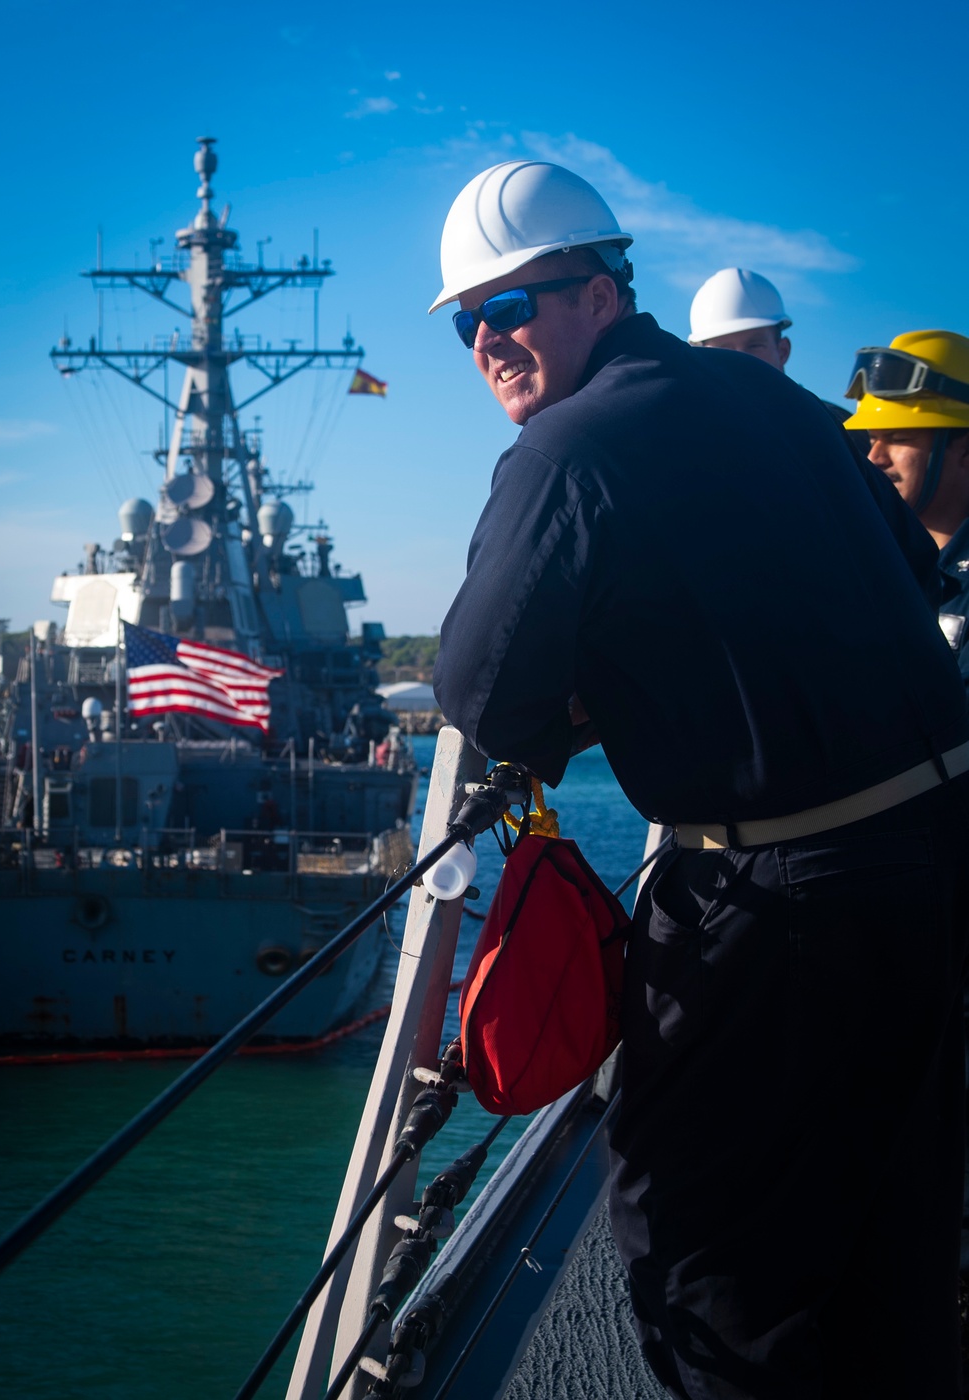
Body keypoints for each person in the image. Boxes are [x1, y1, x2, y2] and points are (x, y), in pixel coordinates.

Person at [429, 158, 969, 1399]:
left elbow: (477, 693)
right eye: (470, 320)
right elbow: (912, 576)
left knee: (703, 1255)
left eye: (512, 306)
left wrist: (593, 686)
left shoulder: (568, 449)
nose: (488, 341)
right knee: (892, 1236)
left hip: (780, 905)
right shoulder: (775, 403)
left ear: (602, 289)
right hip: (930, 863)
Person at [843, 330, 969, 688]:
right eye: (872, 438)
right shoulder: (872, 558)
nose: (874, 458)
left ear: (965, 449)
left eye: (899, 438)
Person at [689, 266, 865, 444]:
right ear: (699, 359)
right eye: (724, 349)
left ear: (783, 351)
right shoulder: (690, 436)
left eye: (755, 345)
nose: (741, 360)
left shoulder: (837, 428)